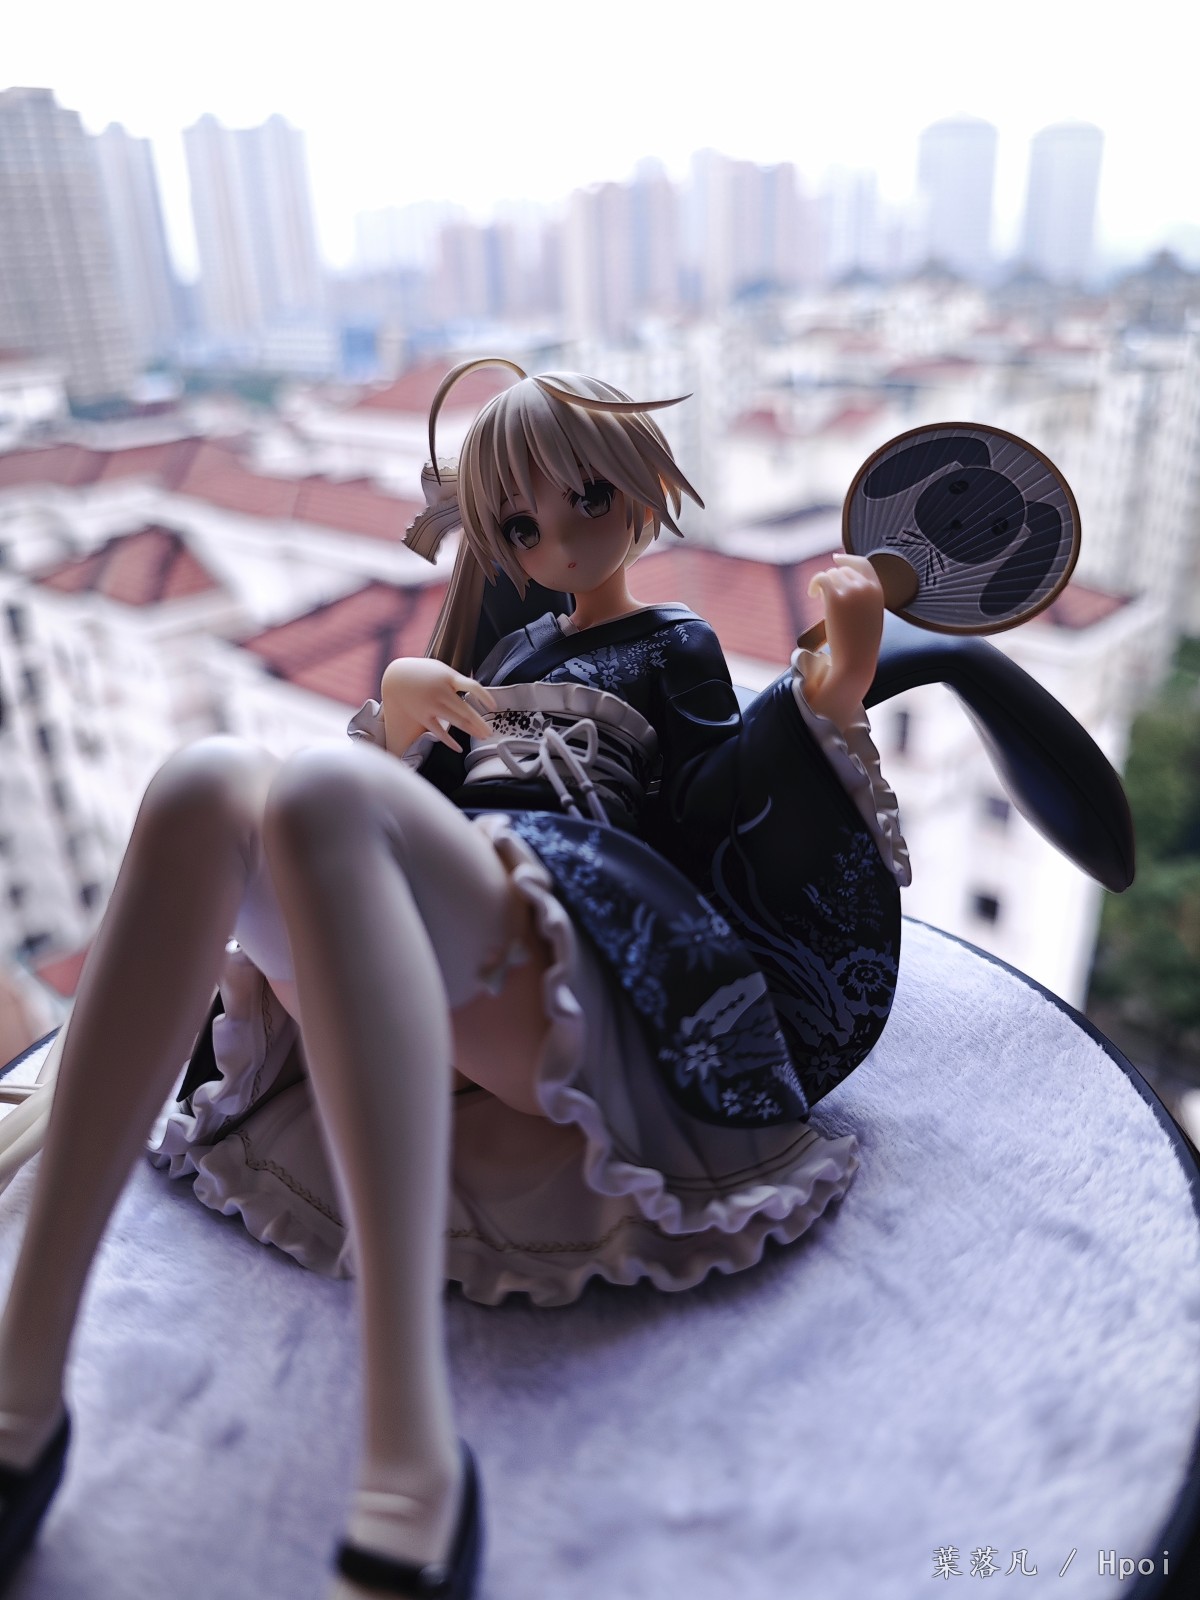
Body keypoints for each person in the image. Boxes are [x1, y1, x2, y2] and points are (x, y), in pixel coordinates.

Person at [0, 361, 910, 1599]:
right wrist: (402, 716)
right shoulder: (514, 643)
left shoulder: (677, 646)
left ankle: (408, 1450)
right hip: (443, 962)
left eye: (588, 500)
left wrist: (834, 687)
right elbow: (392, 828)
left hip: (579, 953)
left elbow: (718, 809)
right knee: (205, 779)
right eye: (521, 526)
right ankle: (21, 1390)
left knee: (323, 788)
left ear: (643, 493)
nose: (558, 541)